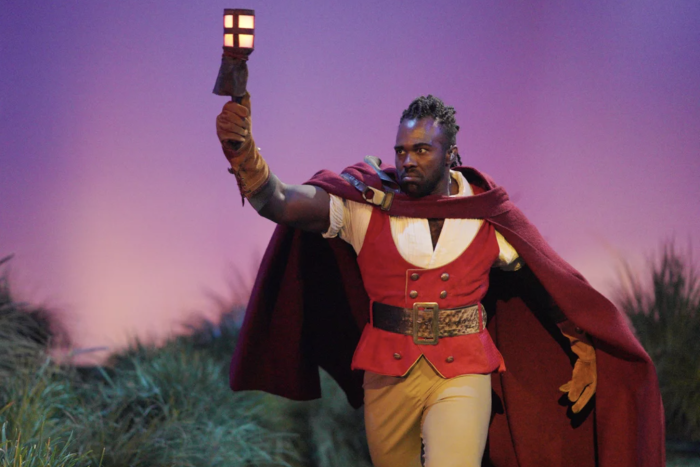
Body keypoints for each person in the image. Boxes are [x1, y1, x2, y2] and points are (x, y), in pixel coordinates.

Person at [215, 95, 664, 467]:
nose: (407, 161)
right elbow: (281, 202)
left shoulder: (486, 214)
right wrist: (244, 155)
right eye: (401, 151)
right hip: (387, 371)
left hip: (463, 368)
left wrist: (578, 339)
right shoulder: (366, 205)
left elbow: (541, 280)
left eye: (422, 150)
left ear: (450, 154)